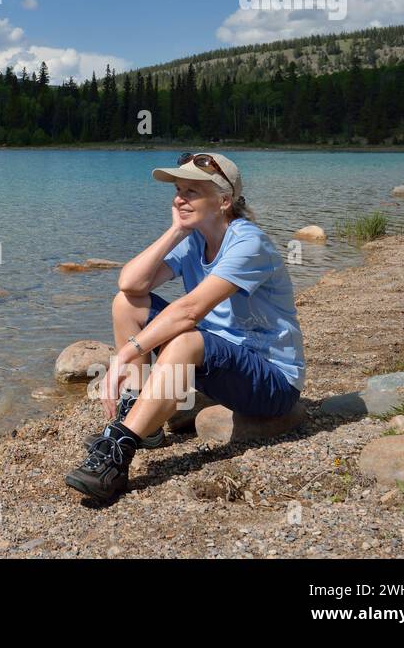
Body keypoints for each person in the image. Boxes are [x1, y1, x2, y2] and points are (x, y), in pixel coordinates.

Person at [64, 152, 305, 502]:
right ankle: (141, 417)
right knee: (127, 304)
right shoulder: (193, 240)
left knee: (187, 337)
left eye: (192, 191)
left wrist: (125, 354)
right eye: (178, 190)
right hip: (218, 363)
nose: (179, 198)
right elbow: (131, 283)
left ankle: (118, 450)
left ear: (224, 200)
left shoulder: (248, 243)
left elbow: (190, 310)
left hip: (272, 383)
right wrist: (176, 229)